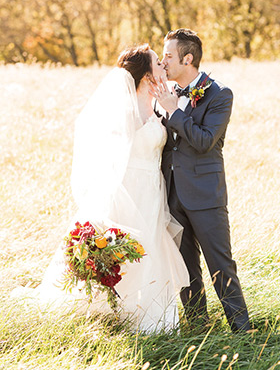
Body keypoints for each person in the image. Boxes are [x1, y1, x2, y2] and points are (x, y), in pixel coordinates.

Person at [11, 44, 189, 333]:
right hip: (128, 190)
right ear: (145, 75)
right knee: (128, 252)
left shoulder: (160, 104)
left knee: (152, 249)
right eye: (158, 63)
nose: (163, 67)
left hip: (153, 192)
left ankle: (153, 320)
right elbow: (106, 154)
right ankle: (112, 313)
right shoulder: (123, 112)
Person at [149, 28, 250, 332]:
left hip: (205, 194)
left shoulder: (219, 94)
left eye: (168, 55)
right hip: (172, 193)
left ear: (188, 58)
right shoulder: (163, 93)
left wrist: (172, 112)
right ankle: (198, 325)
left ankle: (242, 328)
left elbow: (205, 141)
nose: (163, 61)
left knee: (220, 263)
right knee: (185, 266)